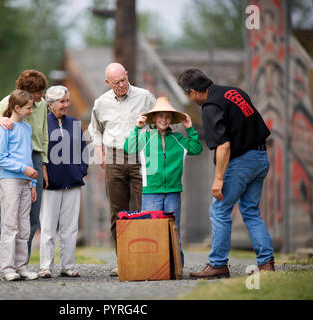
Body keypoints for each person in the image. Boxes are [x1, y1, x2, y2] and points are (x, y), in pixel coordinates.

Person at [176, 68, 275, 279]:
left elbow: (224, 146)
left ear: (192, 91)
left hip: (241, 162)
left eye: (187, 94)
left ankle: (218, 264)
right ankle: (266, 263)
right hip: (260, 157)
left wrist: (218, 179)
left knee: (219, 211)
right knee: (250, 211)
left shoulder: (211, 106)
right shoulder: (234, 92)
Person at [0, 70, 48, 281]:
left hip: (33, 159)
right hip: (11, 163)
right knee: (4, 215)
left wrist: (42, 164)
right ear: (25, 92)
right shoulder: (6, 103)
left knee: (30, 217)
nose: (41, 97)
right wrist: (0, 123)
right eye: (38, 93)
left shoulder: (41, 106)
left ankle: (20, 265)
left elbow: (42, 136)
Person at [87, 62, 156, 276]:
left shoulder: (145, 96)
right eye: (116, 83)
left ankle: (148, 260)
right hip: (114, 157)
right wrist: (99, 151)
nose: (121, 85)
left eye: (123, 80)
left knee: (145, 207)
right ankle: (124, 260)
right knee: (118, 212)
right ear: (108, 82)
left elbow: (159, 121)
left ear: (127, 75)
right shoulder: (101, 102)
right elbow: (95, 129)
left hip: (142, 156)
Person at [124, 97, 202, 267]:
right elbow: (128, 148)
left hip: (173, 192)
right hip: (150, 193)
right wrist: (137, 128)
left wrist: (190, 128)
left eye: (167, 116)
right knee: (151, 231)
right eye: (160, 116)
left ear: (171, 120)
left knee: (173, 231)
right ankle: (152, 266)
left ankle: (176, 267)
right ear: (154, 118)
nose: (164, 119)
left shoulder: (178, 140)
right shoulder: (145, 138)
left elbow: (196, 148)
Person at [38, 86, 88, 278]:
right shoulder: (42, 124)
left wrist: (81, 171)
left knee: (70, 228)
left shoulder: (74, 123)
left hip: (73, 183)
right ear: (51, 105)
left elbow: (83, 149)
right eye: (62, 102)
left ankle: (67, 266)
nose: (66, 105)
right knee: (48, 227)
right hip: (50, 185)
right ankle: (45, 267)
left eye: (67, 101)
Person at [0, 90, 39, 281]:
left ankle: (21, 266)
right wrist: (23, 169)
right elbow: (0, 158)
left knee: (24, 225)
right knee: (10, 224)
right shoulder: (6, 128)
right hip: (10, 180)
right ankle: (7, 268)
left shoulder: (27, 129)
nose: (31, 110)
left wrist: (33, 183)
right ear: (17, 108)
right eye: (28, 107)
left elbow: (28, 156)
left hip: (26, 182)